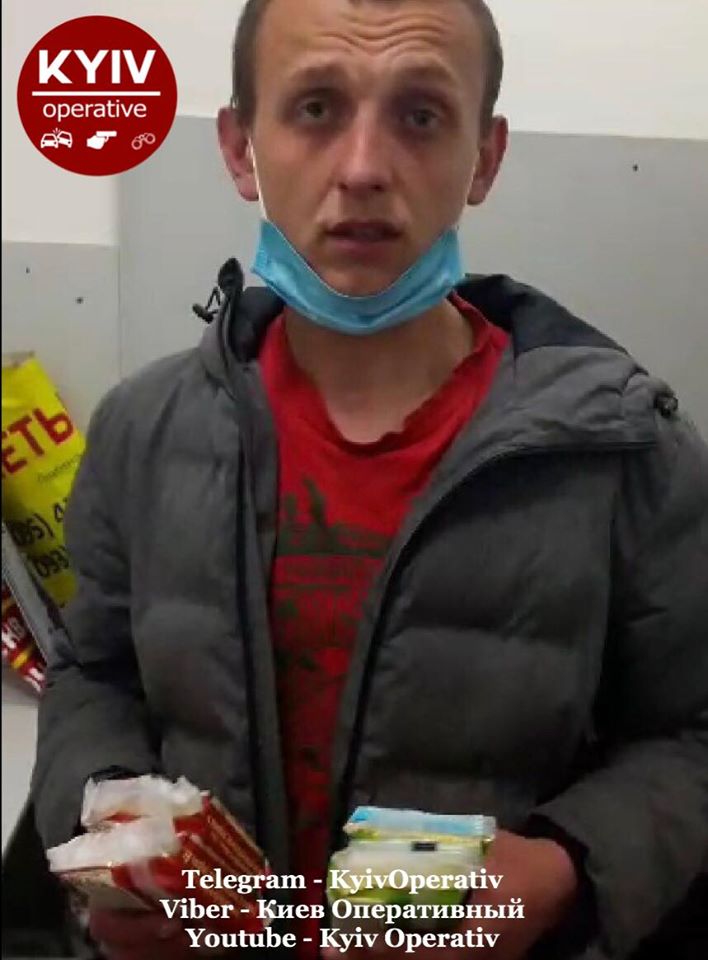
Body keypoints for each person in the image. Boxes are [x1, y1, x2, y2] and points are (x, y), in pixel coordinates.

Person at [31, 0, 708, 958]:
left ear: (484, 158)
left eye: (420, 115)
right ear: (239, 148)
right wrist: (106, 840)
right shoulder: (142, 432)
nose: (362, 168)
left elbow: (691, 734)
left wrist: (568, 870)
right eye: (315, 108)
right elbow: (92, 675)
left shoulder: (622, 449)